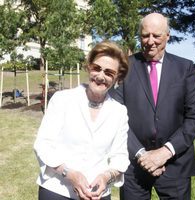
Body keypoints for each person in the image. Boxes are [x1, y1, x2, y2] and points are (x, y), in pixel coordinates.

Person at [112, 13, 195, 199]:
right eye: (145, 35)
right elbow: (114, 116)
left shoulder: (185, 68)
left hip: (176, 163)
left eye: (156, 35)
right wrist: (141, 154)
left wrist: (166, 151)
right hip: (134, 165)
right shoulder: (125, 67)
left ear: (167, 36)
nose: (150, 41)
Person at [34, 41, 130, 200]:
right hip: (57, 191)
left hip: (98, 195)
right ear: (88, 67)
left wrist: (106, 177)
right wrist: (69, 174)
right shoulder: (62, 100)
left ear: (117, 77)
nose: (100, 76)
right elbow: (43, 144)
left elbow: (120, 156)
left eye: (109, 72)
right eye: (96, 68)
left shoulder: (119, 112)